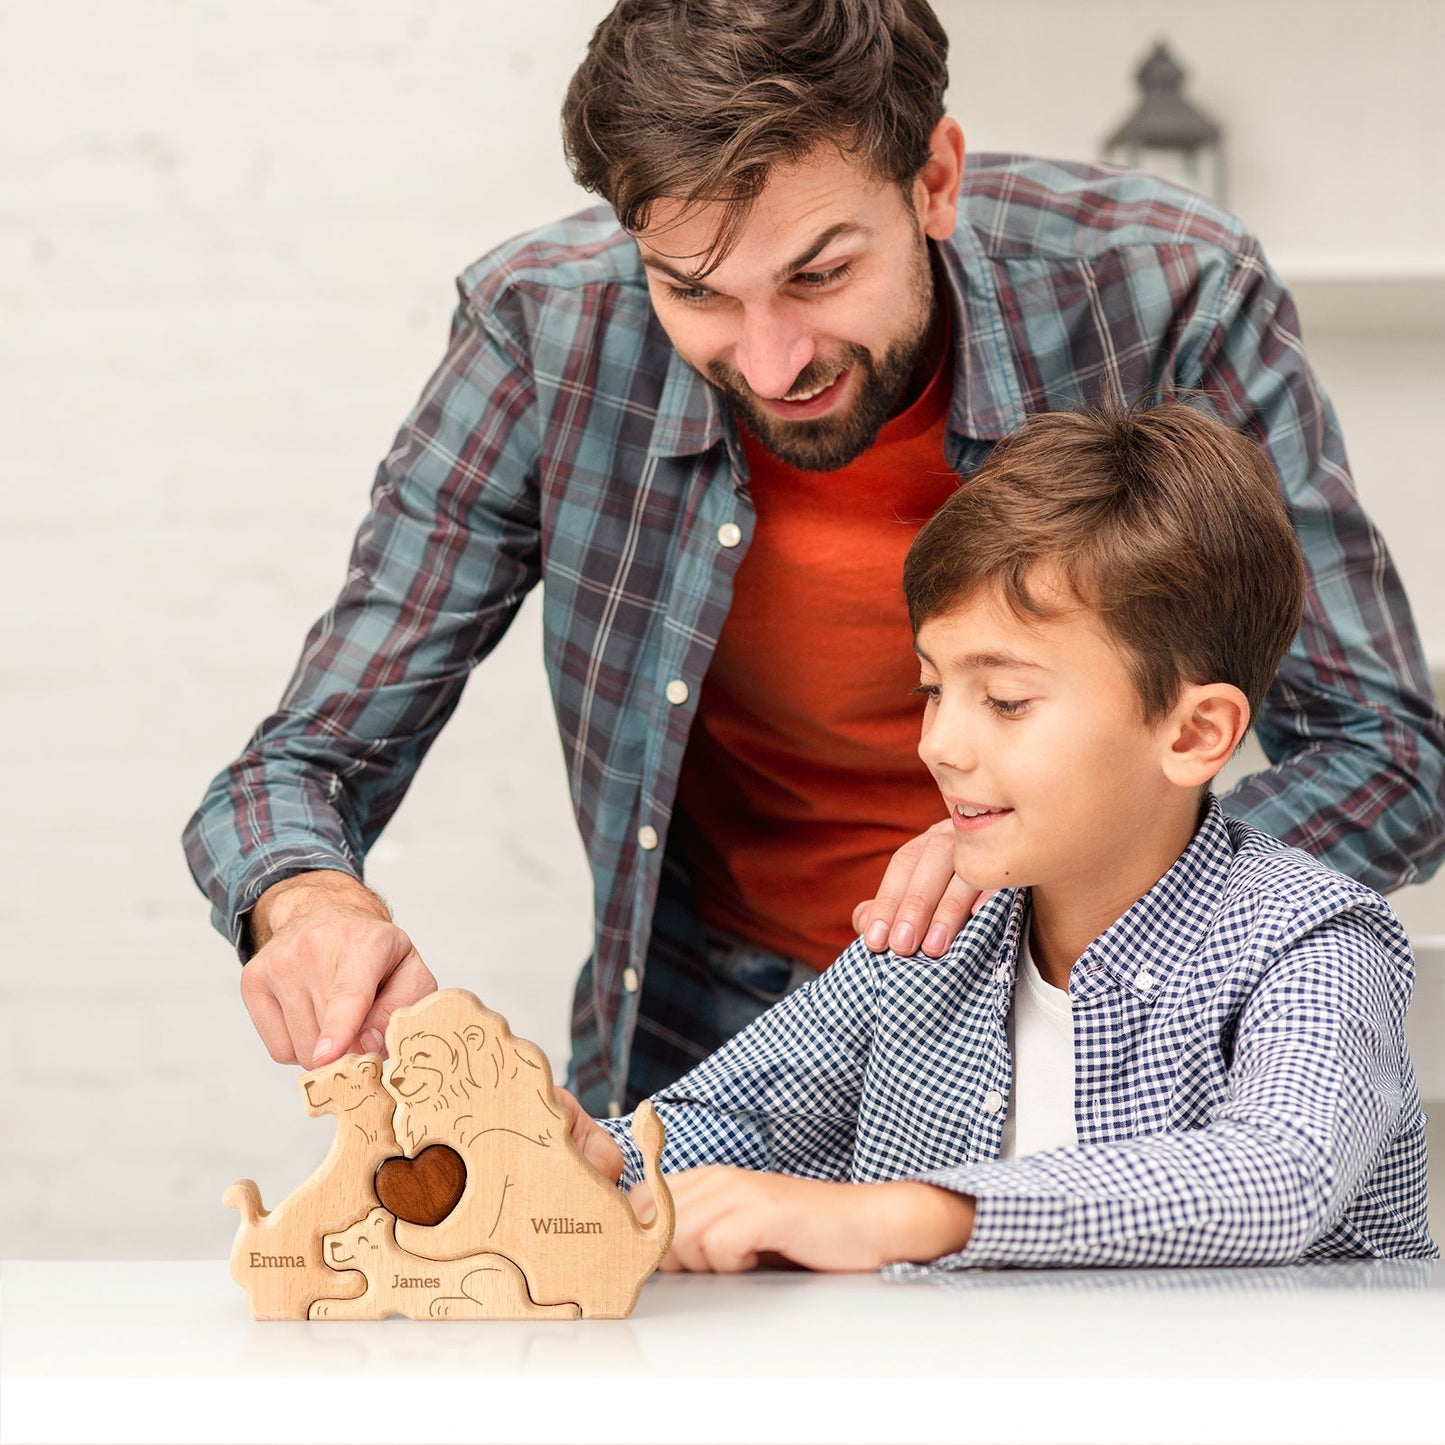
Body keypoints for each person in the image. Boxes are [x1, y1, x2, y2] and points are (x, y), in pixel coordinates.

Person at [183, 0, 1445, 1118]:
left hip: (1091, 1007)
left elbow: (1389, 750)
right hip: (705, 1029)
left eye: (821, 273)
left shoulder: (1165, 290)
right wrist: (309, 901)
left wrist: (1075, 873)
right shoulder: (540, 331)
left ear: (933, 180)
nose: (770, 361)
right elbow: (301, 764)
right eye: (695, 293)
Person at [558, 403, 1436, 1272]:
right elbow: (726, 1121)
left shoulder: (1313, 942)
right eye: (930, 689)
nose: (937, 744)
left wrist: (904, 1215)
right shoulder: (932, 938)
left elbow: (1276, 1174)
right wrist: (590, 1154)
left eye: (1006, 701)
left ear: (1193, 733)